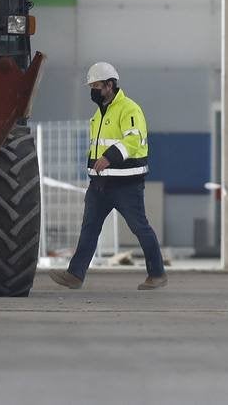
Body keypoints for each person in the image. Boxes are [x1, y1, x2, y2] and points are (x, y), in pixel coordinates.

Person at [49, 62, 167, 290]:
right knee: (89, 228)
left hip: (126, 185)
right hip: (100, 185)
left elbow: (133, 140)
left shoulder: (129, 109)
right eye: (91, 86)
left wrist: (109, 157)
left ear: (110, 85)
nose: (92, 91)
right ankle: (75, 275)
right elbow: (96, 147)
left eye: (96, 86)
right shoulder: (99, 114)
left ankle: (158, 274)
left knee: (140, 228)